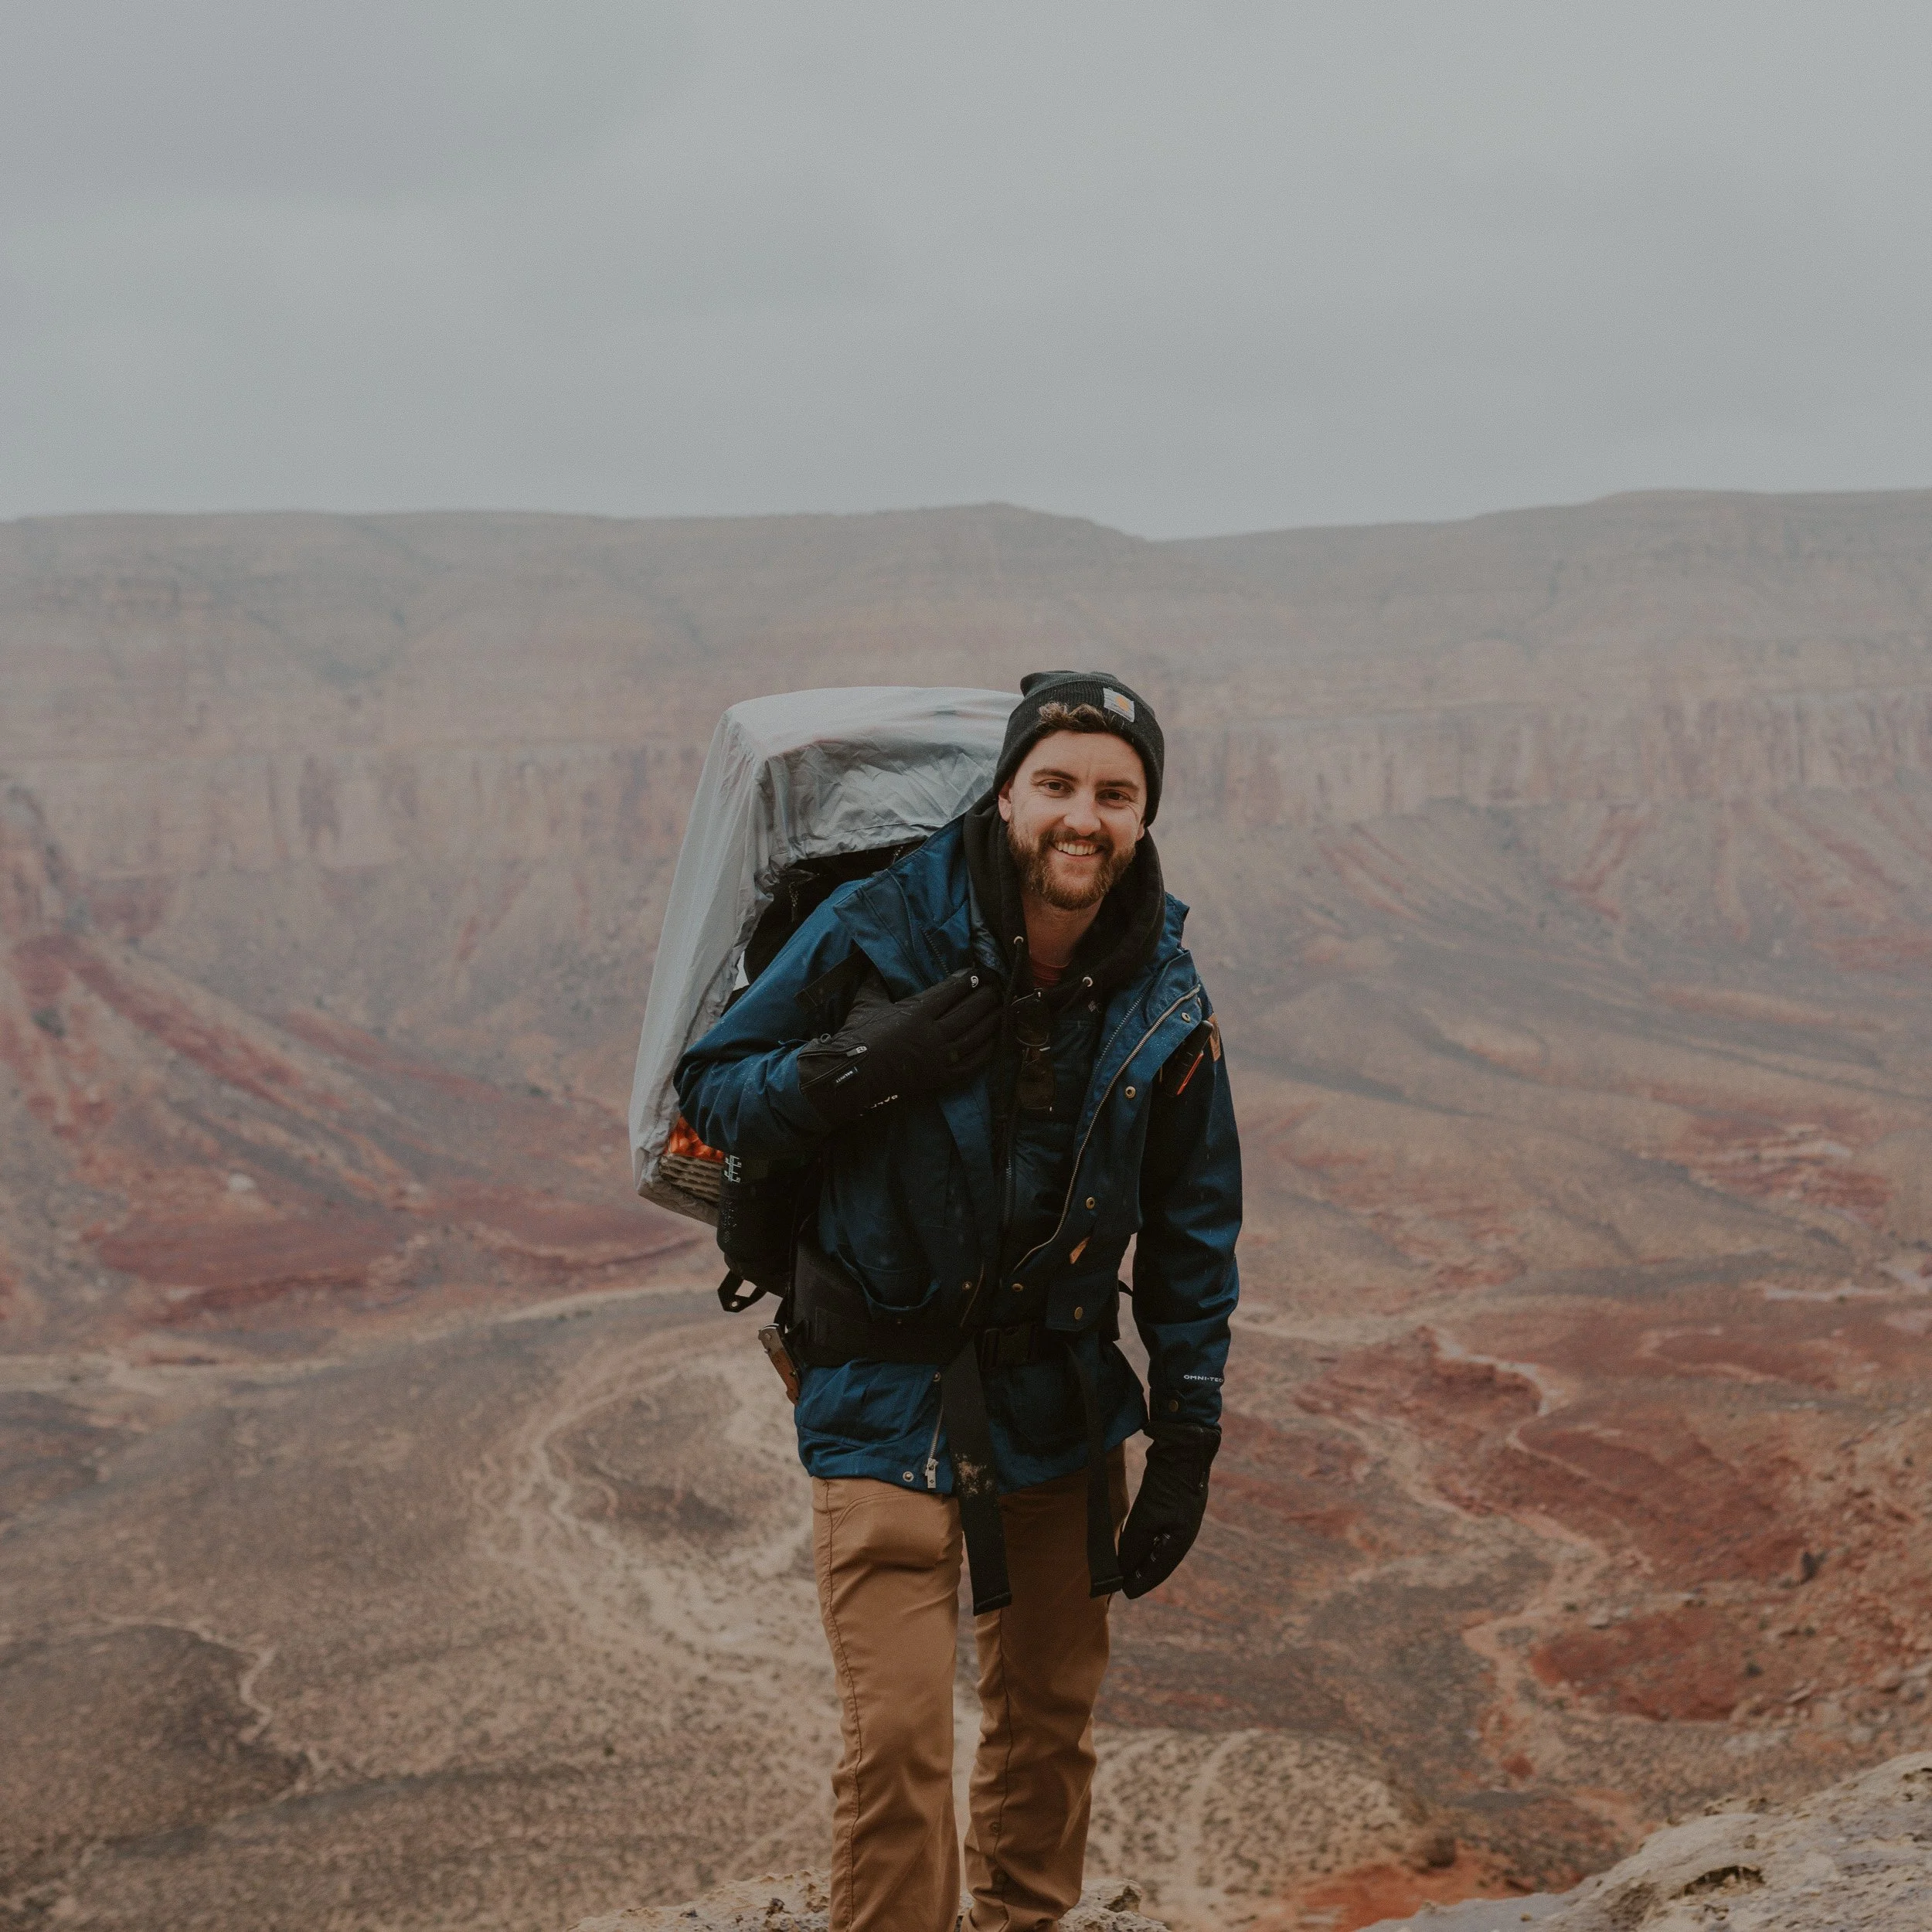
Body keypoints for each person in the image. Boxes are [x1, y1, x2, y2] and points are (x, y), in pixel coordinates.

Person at [675, 671, 1241, 1932]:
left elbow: (1197, 1231)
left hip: (1062, 1401)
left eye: (1114, 792)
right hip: (882, 1390)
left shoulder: (1164, 986)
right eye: (1057, 785)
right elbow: (713, 1086)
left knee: (1049, 1729)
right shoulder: (884, 928)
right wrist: (860, 1064)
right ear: (1006, 796)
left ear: (1144, 816)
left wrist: (1190, 1438)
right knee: (899, 1747)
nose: (1082, 817)